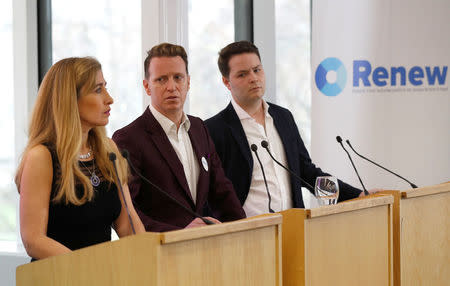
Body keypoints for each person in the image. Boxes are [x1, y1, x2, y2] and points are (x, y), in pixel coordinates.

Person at [205, 41, 376, 217]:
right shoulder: (214, 129)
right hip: (246, 233)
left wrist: (356, 195)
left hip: (292, 227)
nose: (253, 78)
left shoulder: (283, 117)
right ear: (226, 82)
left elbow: (307, 173)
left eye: (257, 70)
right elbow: (210, 192)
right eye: (242, 74)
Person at [15, 57, 145, 261]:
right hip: (59, 278)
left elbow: (128, 224)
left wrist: (146, 258)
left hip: (103, 276)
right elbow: (33, 240)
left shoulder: (107, 149)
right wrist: (88, 270)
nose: (109, 98)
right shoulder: (42, 156)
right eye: (98, 89)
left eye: (106, 87)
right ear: (70, 100)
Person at [112, 43, 246, 232]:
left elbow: (222, 191)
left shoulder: (199, 128)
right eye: (161, 79)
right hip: (158, 252)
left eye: (178, 78)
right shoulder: (128, 138)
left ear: (188, 82)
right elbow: (126, 212)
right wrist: (178, 234)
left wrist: (245, 228)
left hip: (203, 248)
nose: (171, 87)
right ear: (147, 86)